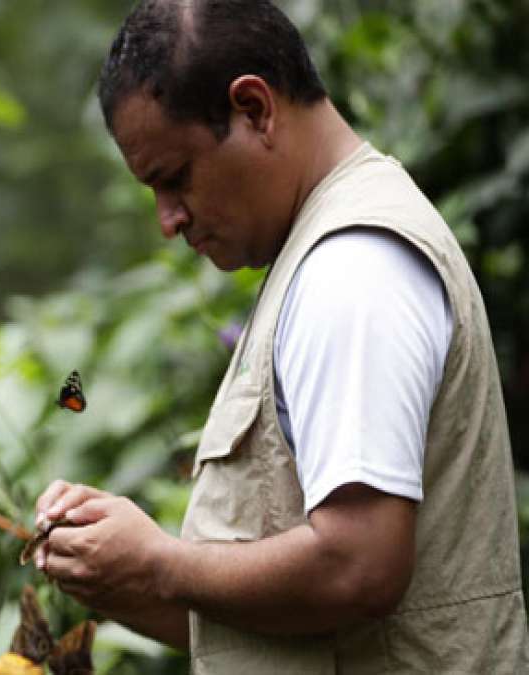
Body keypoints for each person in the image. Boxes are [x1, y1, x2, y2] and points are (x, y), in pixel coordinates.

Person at [32, 1, 529, 672]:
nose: (168, 220)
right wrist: (113, 568)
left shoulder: (353, 269)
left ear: (255, 109)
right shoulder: (316, 258)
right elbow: (274, 619)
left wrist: (160, 561)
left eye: (174, 178)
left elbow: (360, 566)